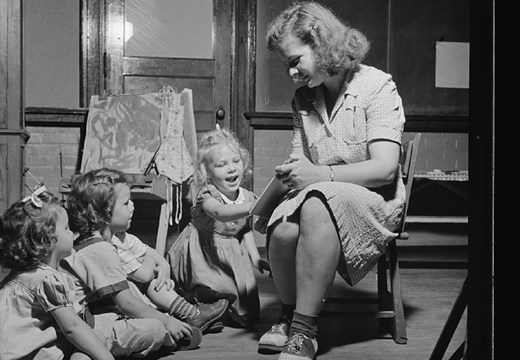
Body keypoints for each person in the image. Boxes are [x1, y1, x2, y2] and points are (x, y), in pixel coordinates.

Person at [257, 2, 407, 359]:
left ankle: (305, 333)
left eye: (295, 60)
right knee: (281, 226)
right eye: (286, 64)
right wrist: (265, 204)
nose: (291, 72)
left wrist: (318, 175)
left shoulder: (377, 85)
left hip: (376, 199)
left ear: (321, 43)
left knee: (315, 202)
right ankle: (290, 316)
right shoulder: (304, 97)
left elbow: (385, 169)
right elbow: (302, 161)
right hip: (321, 193)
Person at [60, 168, 229, 357]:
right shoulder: (100, 249)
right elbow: (127, 304)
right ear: (104, 214)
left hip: (87, 316)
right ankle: (169, 337)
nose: (132, 206)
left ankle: (168, 326)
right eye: (126, 203)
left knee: (130, 288)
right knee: (153, 328)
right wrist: (166, 323)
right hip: (85, 327)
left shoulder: (95, 243)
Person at [0, 186, 114, 360]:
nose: (72, 232)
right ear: (47, 240)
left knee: (92, 339)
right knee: (91, 346)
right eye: (66, 228)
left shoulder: (14, 280)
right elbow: (73, 328)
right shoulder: (48, 280)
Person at [166, 127, 270, 329]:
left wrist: (255, 257)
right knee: (215, 286)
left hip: (232, 252)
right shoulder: (208, 194)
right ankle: (200, 306)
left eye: (236, 161)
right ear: (207, 171)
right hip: (204, 250)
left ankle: (220, 314)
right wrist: (253, 208)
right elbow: (219, 212)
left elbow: (244, 228)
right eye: (222, 165)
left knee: (247, 314)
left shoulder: (246, 196)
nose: (231, 169)